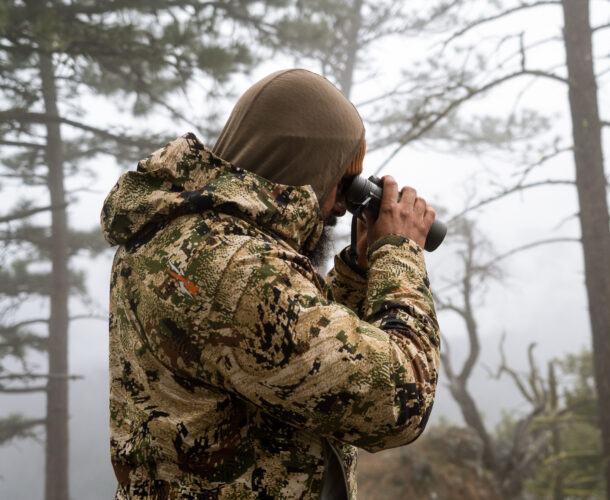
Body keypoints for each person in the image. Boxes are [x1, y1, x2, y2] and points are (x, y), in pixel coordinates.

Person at [100, 69, 440, 499]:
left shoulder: (186, 235)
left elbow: (289, 352)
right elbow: (397, 401)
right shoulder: (238, 271)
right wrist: (399, 252)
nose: (339, 205)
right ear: (301, 166)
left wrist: (357, 267)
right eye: (340, 180)